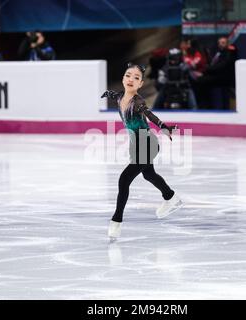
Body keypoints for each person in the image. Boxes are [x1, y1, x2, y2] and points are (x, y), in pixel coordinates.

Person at [101, 63, 183, 239]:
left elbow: (149, 114)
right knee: (148, 175)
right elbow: (117, 94)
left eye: (136, 78)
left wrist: (163, 127)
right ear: (123, 78)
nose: (131, 79)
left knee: (124, 180)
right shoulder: (120, 96)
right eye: (128, 75)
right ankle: (171, 197)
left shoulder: (137, 101)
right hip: (136, 145)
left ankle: (116, 221)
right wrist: (109, 93)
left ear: (141, 84)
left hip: (147, 144)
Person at [193, 37, 237, 108]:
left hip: (224, 77)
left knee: (201, 80)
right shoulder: (218, 53)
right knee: (199, 79)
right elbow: (213, 65)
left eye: (223, 43)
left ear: (227, 44)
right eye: (219, 43)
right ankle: (206, 104)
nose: (220, 44)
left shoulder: (229, 52)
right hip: (217, 75)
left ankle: (204, 105)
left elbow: (221, 66)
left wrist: (204, 71)